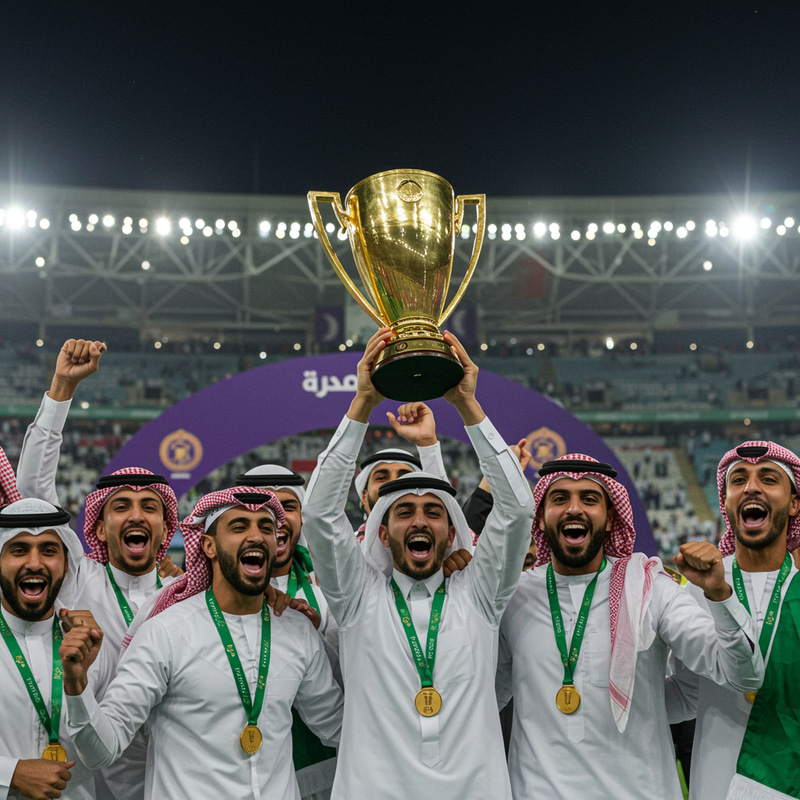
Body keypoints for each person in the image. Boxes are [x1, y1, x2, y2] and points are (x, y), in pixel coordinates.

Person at [301, 328, 535, 799]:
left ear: (451, 534)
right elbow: (319, 513)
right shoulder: (356, 598)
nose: (420, 521)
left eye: (434, 512)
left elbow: (518, 509)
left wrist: (468, 406)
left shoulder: (482, 595)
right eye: (404, 512)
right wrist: (362, 403)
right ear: (382, 533)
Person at [497, 453, 763, 800]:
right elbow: (484, 696)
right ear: (542, 516)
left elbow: (742, 676)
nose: (574, 509)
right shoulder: (514, 597)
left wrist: (718, 595)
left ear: (610, 519)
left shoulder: (651, 587)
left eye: (590, 499)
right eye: (559, 499)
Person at [60, 487, 344, 800]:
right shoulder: (165, 633)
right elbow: (102, 750)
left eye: (266, 528)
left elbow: (338, 728)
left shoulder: (297, 630)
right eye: (239, 527)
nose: (256, 536)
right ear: (208, 545)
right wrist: (77, 685)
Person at [668, 441, 800, 800]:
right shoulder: (695, 585)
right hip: (715, 778)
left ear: (793, 503)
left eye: (768, 478)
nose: (751, 487)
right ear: (726, 502)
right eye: (738, 479)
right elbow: (685, 695)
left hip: (789, 778)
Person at [235, 465, 339, 800]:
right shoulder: (215, 595)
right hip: (242, 772)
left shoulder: (332, 585)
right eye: (264, 508)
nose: (277, 517)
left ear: (302, 518)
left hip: (330, 765)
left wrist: (315, 635)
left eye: (288, 507)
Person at [0, 498, 111, 800]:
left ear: (66, 563)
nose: (34, 563)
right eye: (18, 550)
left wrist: (77, 683)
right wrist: (10, 774)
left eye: (49, 551)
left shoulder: (90, 643)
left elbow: (102, 756)